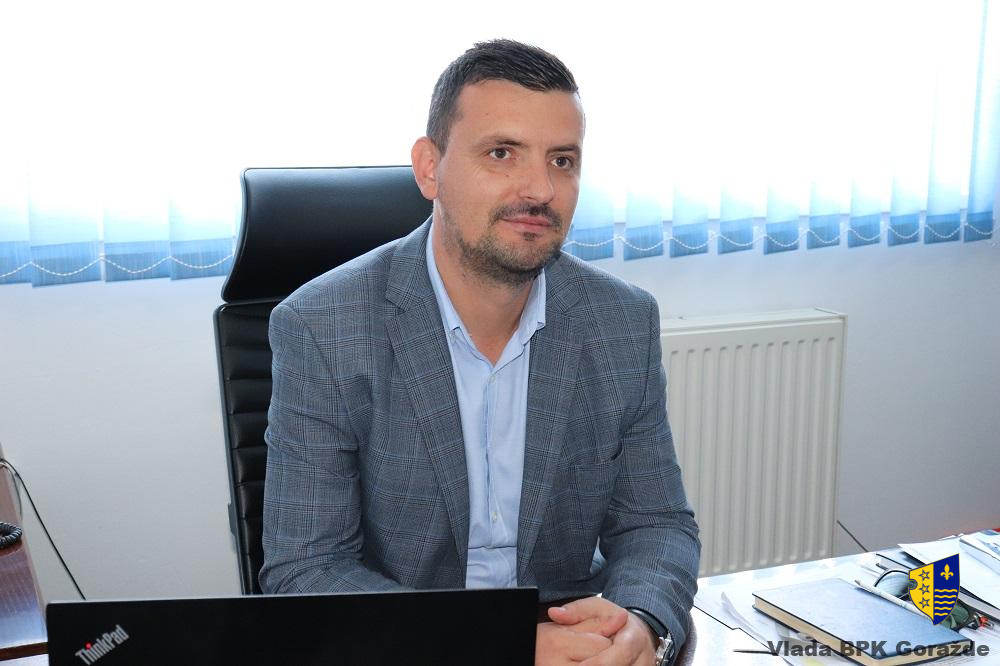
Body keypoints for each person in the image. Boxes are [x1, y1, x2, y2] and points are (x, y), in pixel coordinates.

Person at [261, 39, 700, 666]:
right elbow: (307, 569)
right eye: (502, 153)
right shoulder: (323, 326)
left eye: (562, 160)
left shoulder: (620, 321)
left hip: (570, 642)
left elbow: (655, 523)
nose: (540, 188)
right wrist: (496, 645)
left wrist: (642, 625)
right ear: (429, 168)